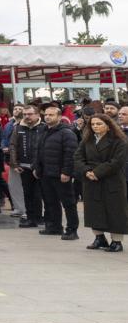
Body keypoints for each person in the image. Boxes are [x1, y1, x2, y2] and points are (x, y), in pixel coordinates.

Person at [74, 113, 128, 252]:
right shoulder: (87, 140)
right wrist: (86, 171)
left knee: (115, 211)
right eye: (93, 124)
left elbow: (117, 161)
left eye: (99, 124)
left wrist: (97, 172)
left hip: (111, 180)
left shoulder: (119, 140)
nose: (95, 127)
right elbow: (78, 157)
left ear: (108, 126)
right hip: (90, 180)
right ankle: (99, 238)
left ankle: (116, 241)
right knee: (94, 210)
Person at [36, 103, 80, 240]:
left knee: (68, 203)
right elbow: (39, 152)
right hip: (46, 174)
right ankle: (55, 226)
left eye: (51, 115)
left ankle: (72, 230)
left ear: (59, 116)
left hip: (61, 174)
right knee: (50, 202)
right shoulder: (43, 131)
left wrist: (67, 172)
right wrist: (37, 168)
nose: (47, 117)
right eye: (46, 115)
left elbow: (71, 154)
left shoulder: (67, 133)